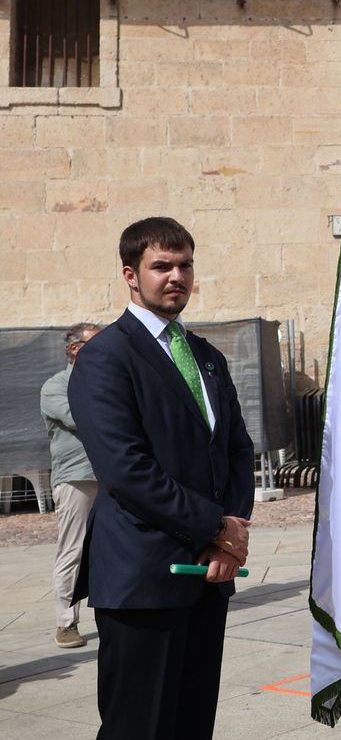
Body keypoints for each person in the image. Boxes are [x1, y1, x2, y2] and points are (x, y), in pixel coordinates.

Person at [67, 217, 255, 740]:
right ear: (131, 274)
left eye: (185, 265)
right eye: (162, 266)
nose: (177, 276)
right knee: (139, 728)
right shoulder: (105, 357)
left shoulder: (207, 357)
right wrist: (214, 527)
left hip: (208, 575)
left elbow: (237, 450)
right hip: (143, 580)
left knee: (192, 725)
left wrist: (228, 537)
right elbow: (126, 471)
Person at [39, 320, 100, 649]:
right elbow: (80, 417)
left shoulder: (110, 380)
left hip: (114, 475)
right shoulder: (56, 386)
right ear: (75, 349)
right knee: (73, 550)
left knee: (118, 546)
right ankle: (66, 623)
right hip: (77, 477)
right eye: (96, 343)